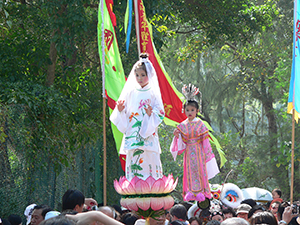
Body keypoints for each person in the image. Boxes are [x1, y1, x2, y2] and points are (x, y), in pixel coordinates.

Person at [110, 53, 165, 181]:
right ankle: (134, 188)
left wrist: (151, 114)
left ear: (149, 75)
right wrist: (120, 110)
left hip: (148, 136)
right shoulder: (130, 92)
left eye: (143, 75)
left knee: (149, 160)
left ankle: (152, 187)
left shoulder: (153, 92)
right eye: (137, 75)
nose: (139, 78)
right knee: (135, 162)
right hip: (133, 136)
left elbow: (160, 112)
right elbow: (124, 113)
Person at [170, 84, 219, 202]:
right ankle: (191, 192)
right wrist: (177, 136)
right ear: (184, 110)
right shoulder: (182, 125)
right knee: (189, 171)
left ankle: (202, 192)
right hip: (188, 151)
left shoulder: (200, 124)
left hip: (198, 151)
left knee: (200, 171)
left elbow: (205, 141)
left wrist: (207, 154)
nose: (190, 112)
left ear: (197, 111)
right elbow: (181, 141)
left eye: (192, 110)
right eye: (187, 110)